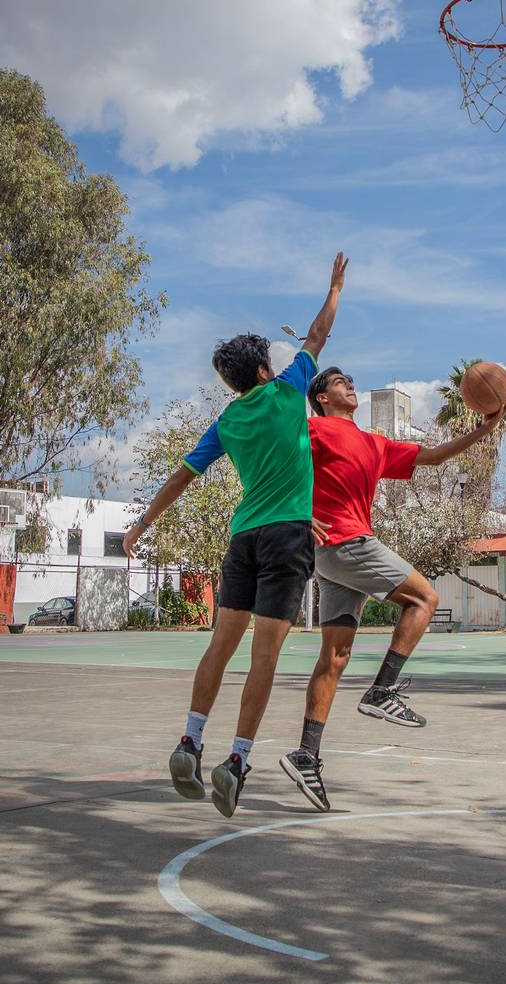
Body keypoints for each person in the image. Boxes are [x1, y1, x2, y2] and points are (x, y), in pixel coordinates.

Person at [122, 253, 348, 818]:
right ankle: (237, 760)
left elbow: (180, 477)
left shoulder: (227, 421)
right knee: (264, 656)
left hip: (242, 537)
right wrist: (336, 287)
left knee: (219, 647)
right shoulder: (289, 389)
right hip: (287, 539)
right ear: (265, 371)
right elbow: (319, 332)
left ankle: (190, 741)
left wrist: (142, 524)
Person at [278, 367, 506, 811]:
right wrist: (297, 513)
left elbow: (436, 457)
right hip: (344, 542)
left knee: (335, 658)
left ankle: (306, 753)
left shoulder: (374, 443)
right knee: (424, 597)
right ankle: (383, 690)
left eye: (349, 378)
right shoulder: (313, 428)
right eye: (338, 381)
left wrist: (486, 428)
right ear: (322, 398)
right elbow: (272, 463)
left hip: (334, 558)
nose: (349, 383)